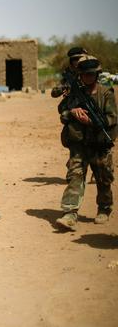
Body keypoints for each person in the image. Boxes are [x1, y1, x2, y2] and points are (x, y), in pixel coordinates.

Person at [56, 55, 117, 231]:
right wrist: (72, 112)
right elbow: (62, 111)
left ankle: (104, 208)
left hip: (99, 143)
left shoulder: (106, 93)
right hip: (78, 143)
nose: (87, 78)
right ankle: (70, 213)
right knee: (75, 176)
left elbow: (112, 118)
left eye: (91, 75)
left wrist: (91, 121)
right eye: (84, 75)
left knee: (103, 178)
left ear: (96, 75)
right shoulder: (76, 93)